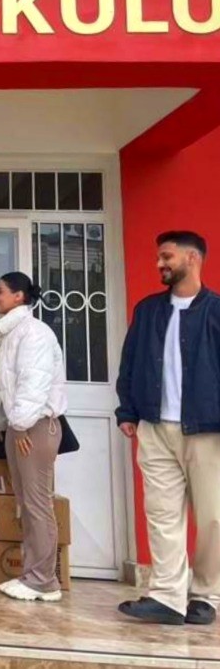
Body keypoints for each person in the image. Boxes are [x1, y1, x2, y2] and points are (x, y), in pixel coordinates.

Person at [116, 231, 219, 627]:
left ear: (192, 258)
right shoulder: (147, 311)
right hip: (155, 426)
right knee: (162, 513)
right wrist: (127, 411)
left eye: (167, 256)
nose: (159, 264)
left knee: (213, 518)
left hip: (207, 428)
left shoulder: (216, 311)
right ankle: (167, 596)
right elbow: (130, 362)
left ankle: (206, 595)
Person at [0, 272, 67, 603]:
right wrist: (7, 425)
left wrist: (19, 424)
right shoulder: (12, 334)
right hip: (20, 427)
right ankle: (35, 576)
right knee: (27, 505)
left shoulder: (34, 334)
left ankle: (43, 581)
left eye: (0, 291)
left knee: (37, 504)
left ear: (19, 296)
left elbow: (34, 382)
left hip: (33, 428)